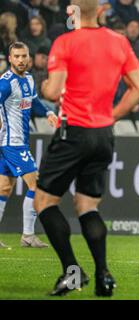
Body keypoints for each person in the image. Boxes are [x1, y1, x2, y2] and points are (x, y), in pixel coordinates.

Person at [35, 0, 139, 297]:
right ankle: (104, 275)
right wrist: (112, 115)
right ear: (101, 11)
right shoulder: (119, 42)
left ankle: (72, 272)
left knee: (44, 202)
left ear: (72, 12)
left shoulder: (65, 43)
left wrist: (46, 86)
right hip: (103, 134)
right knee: (87, 207)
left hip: (74, 132)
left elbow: (52, 89)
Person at [0, 42, 57, 250]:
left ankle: (27, 235)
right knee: (37, 185)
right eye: (17, 56)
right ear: (10, 59)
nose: (21, 60)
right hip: (12, 143)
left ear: (29, 58)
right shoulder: (6, 83)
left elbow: (35, 102)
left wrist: (49, 112)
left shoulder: (30, 79)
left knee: (4, 188)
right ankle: (28, 235)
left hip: (16, 142)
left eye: (24, 56)